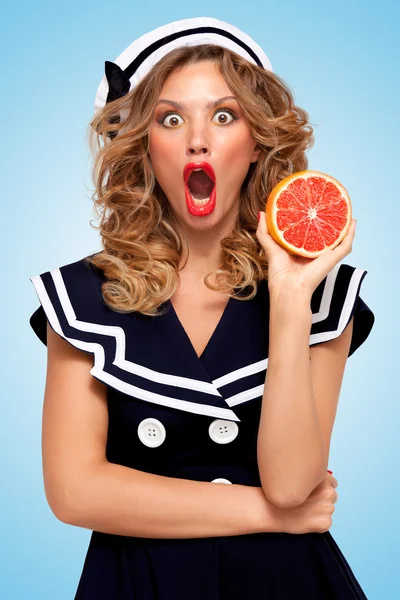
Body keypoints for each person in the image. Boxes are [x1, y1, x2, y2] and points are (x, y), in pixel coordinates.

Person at [29, 16, 375, 600]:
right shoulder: (83, 298)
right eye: (170, 118)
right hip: (138, 584)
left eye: (223, 115)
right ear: (145, 146)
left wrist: (290, 295)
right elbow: (75, 492)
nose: (197, 139)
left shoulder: (323, 296)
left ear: (257, 140)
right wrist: (268, 515)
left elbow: (292, 482)